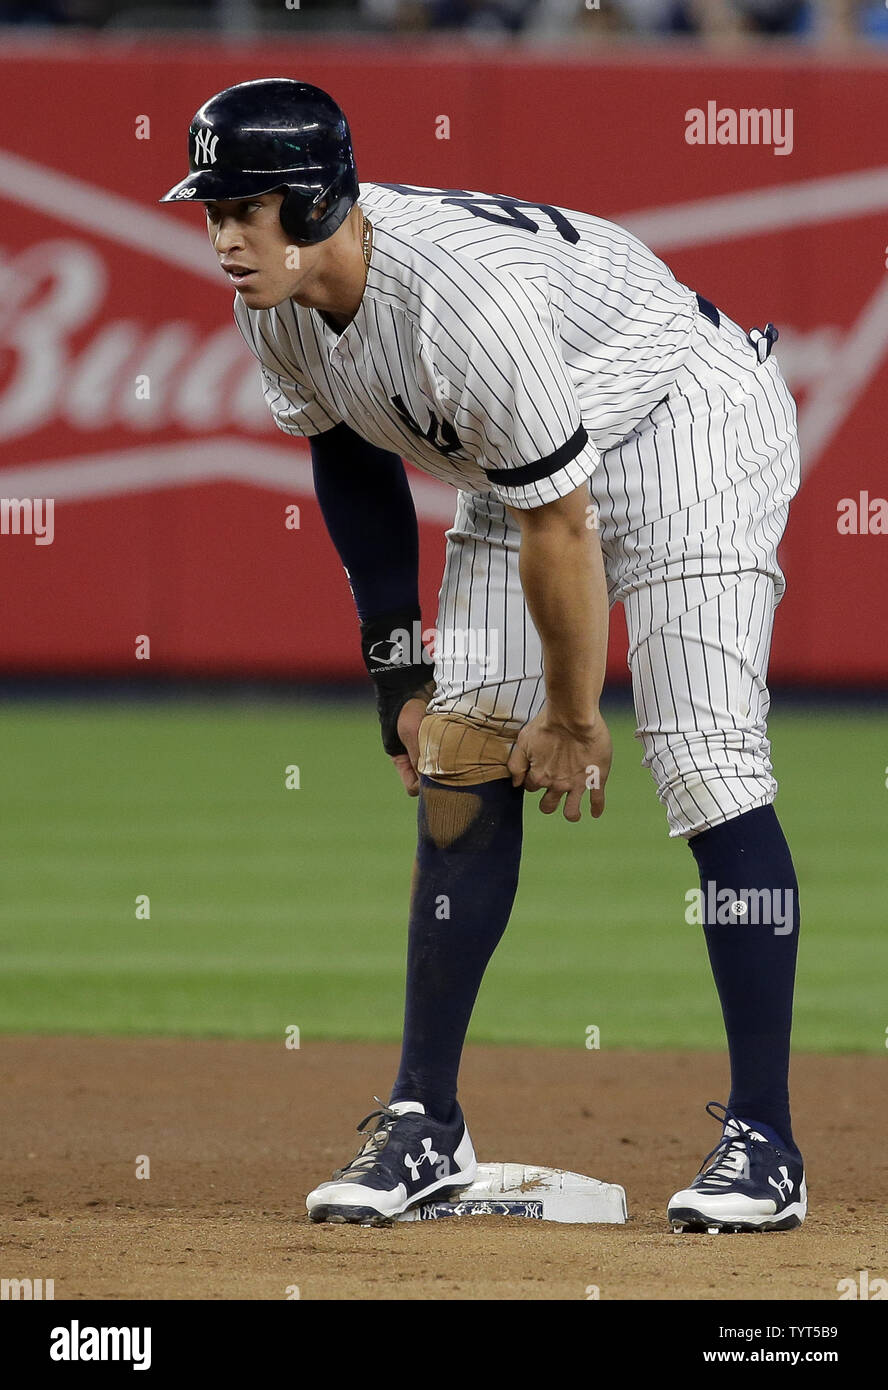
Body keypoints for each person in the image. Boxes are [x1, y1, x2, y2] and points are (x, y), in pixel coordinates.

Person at [160, 77, 806, 1234]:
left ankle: (766, 1139)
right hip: (534, 448)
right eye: (211, 206)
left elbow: (564, 524)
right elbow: (346, 453)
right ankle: (426, 1122)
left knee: (706, 760)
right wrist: (396, 665)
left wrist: (571, 711)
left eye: (245, 207)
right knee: (460, 747)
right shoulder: (276, 294)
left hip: (683, 418)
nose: (222, 234)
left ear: (312, 204)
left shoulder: (463, 302)